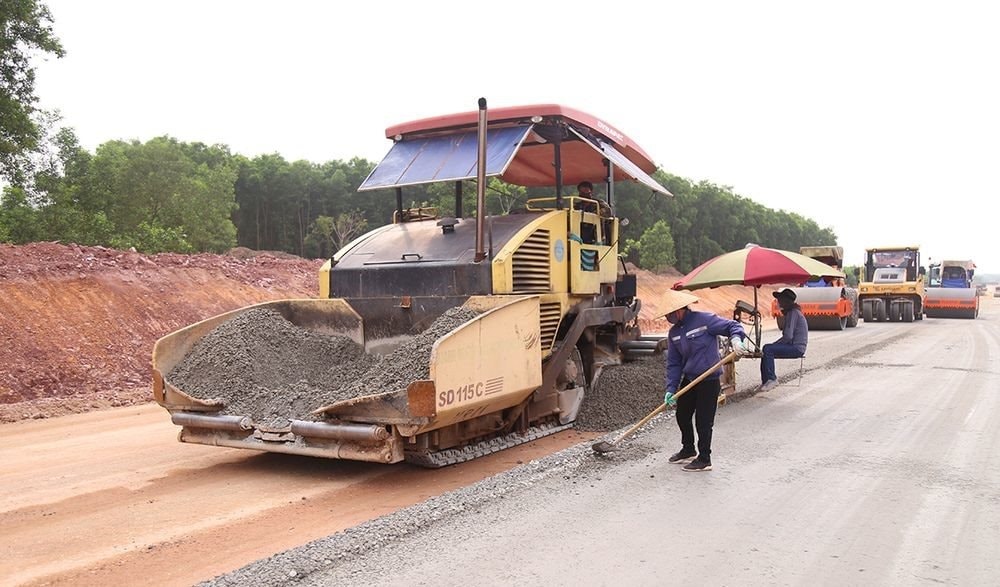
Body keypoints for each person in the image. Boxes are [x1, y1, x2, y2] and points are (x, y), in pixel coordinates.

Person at [661, 289, 750, 472]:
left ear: (678, 310)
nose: (667, 318)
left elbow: (733, 326)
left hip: (709, 379)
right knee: (682, 414)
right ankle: (688, 449)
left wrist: (736, 339)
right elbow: (674, 363)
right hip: (690, 378)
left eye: (669, 314)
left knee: (703, 420)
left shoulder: (705, 320)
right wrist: (671, 388)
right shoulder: (674, 333)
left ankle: (704, 458)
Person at [760, 288, 808, 392]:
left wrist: (774, 345)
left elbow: (788, 336)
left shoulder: (793, 313)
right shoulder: (793, 312)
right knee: (767, 349)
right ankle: (765, 382)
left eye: (780, 299)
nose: (778, 302)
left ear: (786, 301)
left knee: (767, 349)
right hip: (794, 345)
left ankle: (771, 379)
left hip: (796, 347)